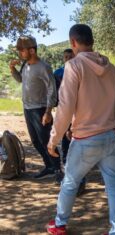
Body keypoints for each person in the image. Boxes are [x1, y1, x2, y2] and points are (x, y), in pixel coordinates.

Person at [46, 24, 115, 235]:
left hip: (86, 138)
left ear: (73, 43)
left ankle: (60, 224)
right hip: (110, 136)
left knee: (70, 182)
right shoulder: (110, 68)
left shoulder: (74, 66)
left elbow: (65, 107)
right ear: (92, 41)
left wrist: (54, 140)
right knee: (114, 186)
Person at [9, 36, 62, 182]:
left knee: (47, 141)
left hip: (40, 109)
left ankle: (58, 170)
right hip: (27, 109)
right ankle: (49, 166)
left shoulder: (44, 67)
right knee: (36, 141)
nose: (19, 53)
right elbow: (21, 79)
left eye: (21, 49)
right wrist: (12, 68)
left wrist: (48, 111)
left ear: (32, 50)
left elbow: (52, 89)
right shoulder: (25, 65)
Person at [53, 49, 86, 194]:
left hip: (79, 114)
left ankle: (81, 183)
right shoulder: (58, 73)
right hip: (65, 113)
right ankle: (70, 182)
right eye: (65, 57)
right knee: (66, 149)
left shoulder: (80, 70)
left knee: (79, 151)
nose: (67, 59)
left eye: (70, 56)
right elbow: (56, 95)